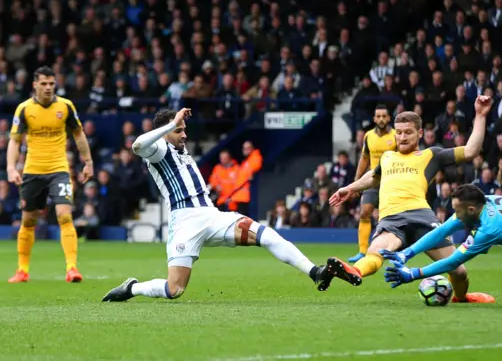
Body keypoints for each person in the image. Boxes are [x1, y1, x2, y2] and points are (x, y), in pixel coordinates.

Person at [102, 108, 332, 302]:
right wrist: (170, 123)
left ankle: (315, 272)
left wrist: (174, 125)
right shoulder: (158, 150)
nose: (184, 135)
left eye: (184, 130)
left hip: (211, 216)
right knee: (175, 290)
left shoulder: (180, 149)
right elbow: (137, 146)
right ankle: (132, 288)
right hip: (185, 223)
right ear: (165, 133)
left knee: (265, 235)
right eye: (179, 130)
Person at [324, 96, 495, 303]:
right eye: (399, 133)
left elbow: (470, 151)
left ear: (419, 133)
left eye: (408, 132)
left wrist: (480, 115)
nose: (402, 137)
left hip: (422, 217)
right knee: (375, 252)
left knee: (458, 272)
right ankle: (353, 271)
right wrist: (349, 188)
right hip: (392, 219)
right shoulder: (388, 157)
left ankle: (462, 297)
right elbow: (373, 176)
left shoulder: (431, 155)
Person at [6, 66, 94, 283]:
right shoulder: (24, 109)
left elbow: (79, 135)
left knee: (65, 215)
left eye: (51, 83)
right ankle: (22, 270)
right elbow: (15, 140)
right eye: (43, 83)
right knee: (28, 221)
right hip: (32, 171)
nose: (48, 87)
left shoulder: (65, 106)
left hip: (59, 169)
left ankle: (72, 268)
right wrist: (10, 167)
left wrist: (88, 162)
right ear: (34, 84)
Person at [348, 105, 397, 263]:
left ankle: (391, 252)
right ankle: (362, 252)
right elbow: (364, 158)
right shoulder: (368, 136)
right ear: (374, 119)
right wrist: (357, 181)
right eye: (378, 116)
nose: (381, 119)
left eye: (384, 116)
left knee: (390, 218)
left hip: (391, 182)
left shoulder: (396, 135)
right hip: (373, 181)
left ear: (389, 118)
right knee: (364, 212)